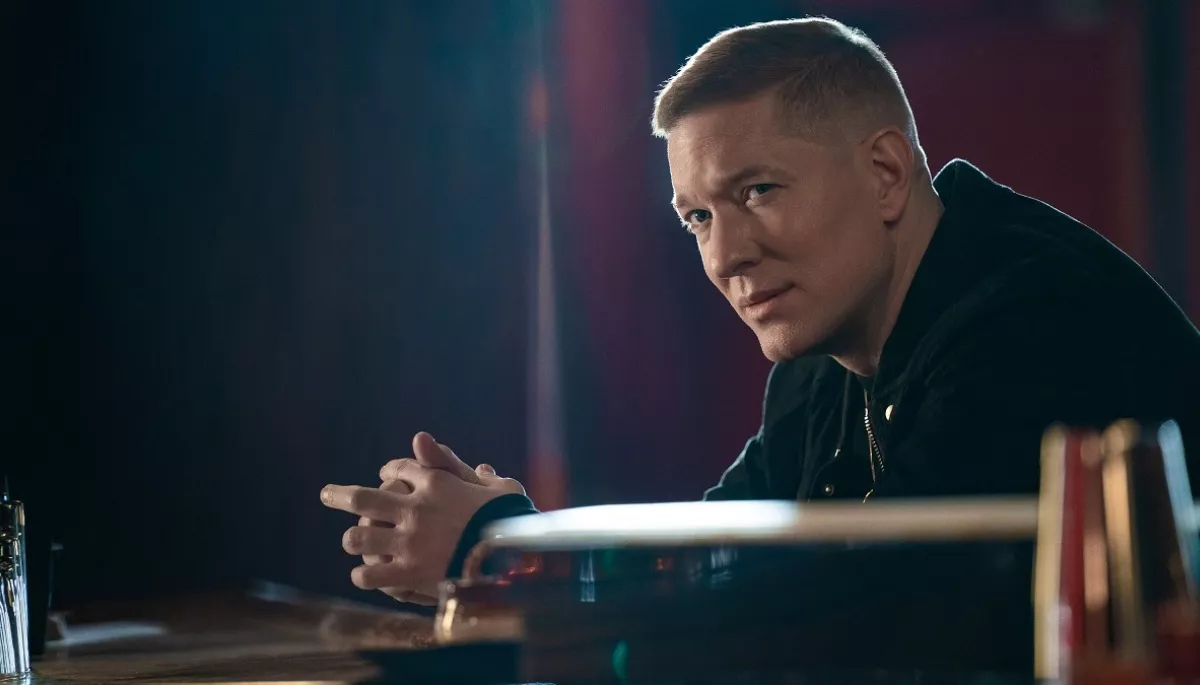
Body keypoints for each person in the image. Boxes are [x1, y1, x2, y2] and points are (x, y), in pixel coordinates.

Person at [320, 17, 1200, 608]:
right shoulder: (823, 359)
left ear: (886, 174)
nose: (725, 256)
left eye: (758, 191)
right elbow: (716, 552)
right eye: (698, 218)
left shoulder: (1028, 318)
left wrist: (506, 551)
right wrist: (515, 546)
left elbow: (861, 610)